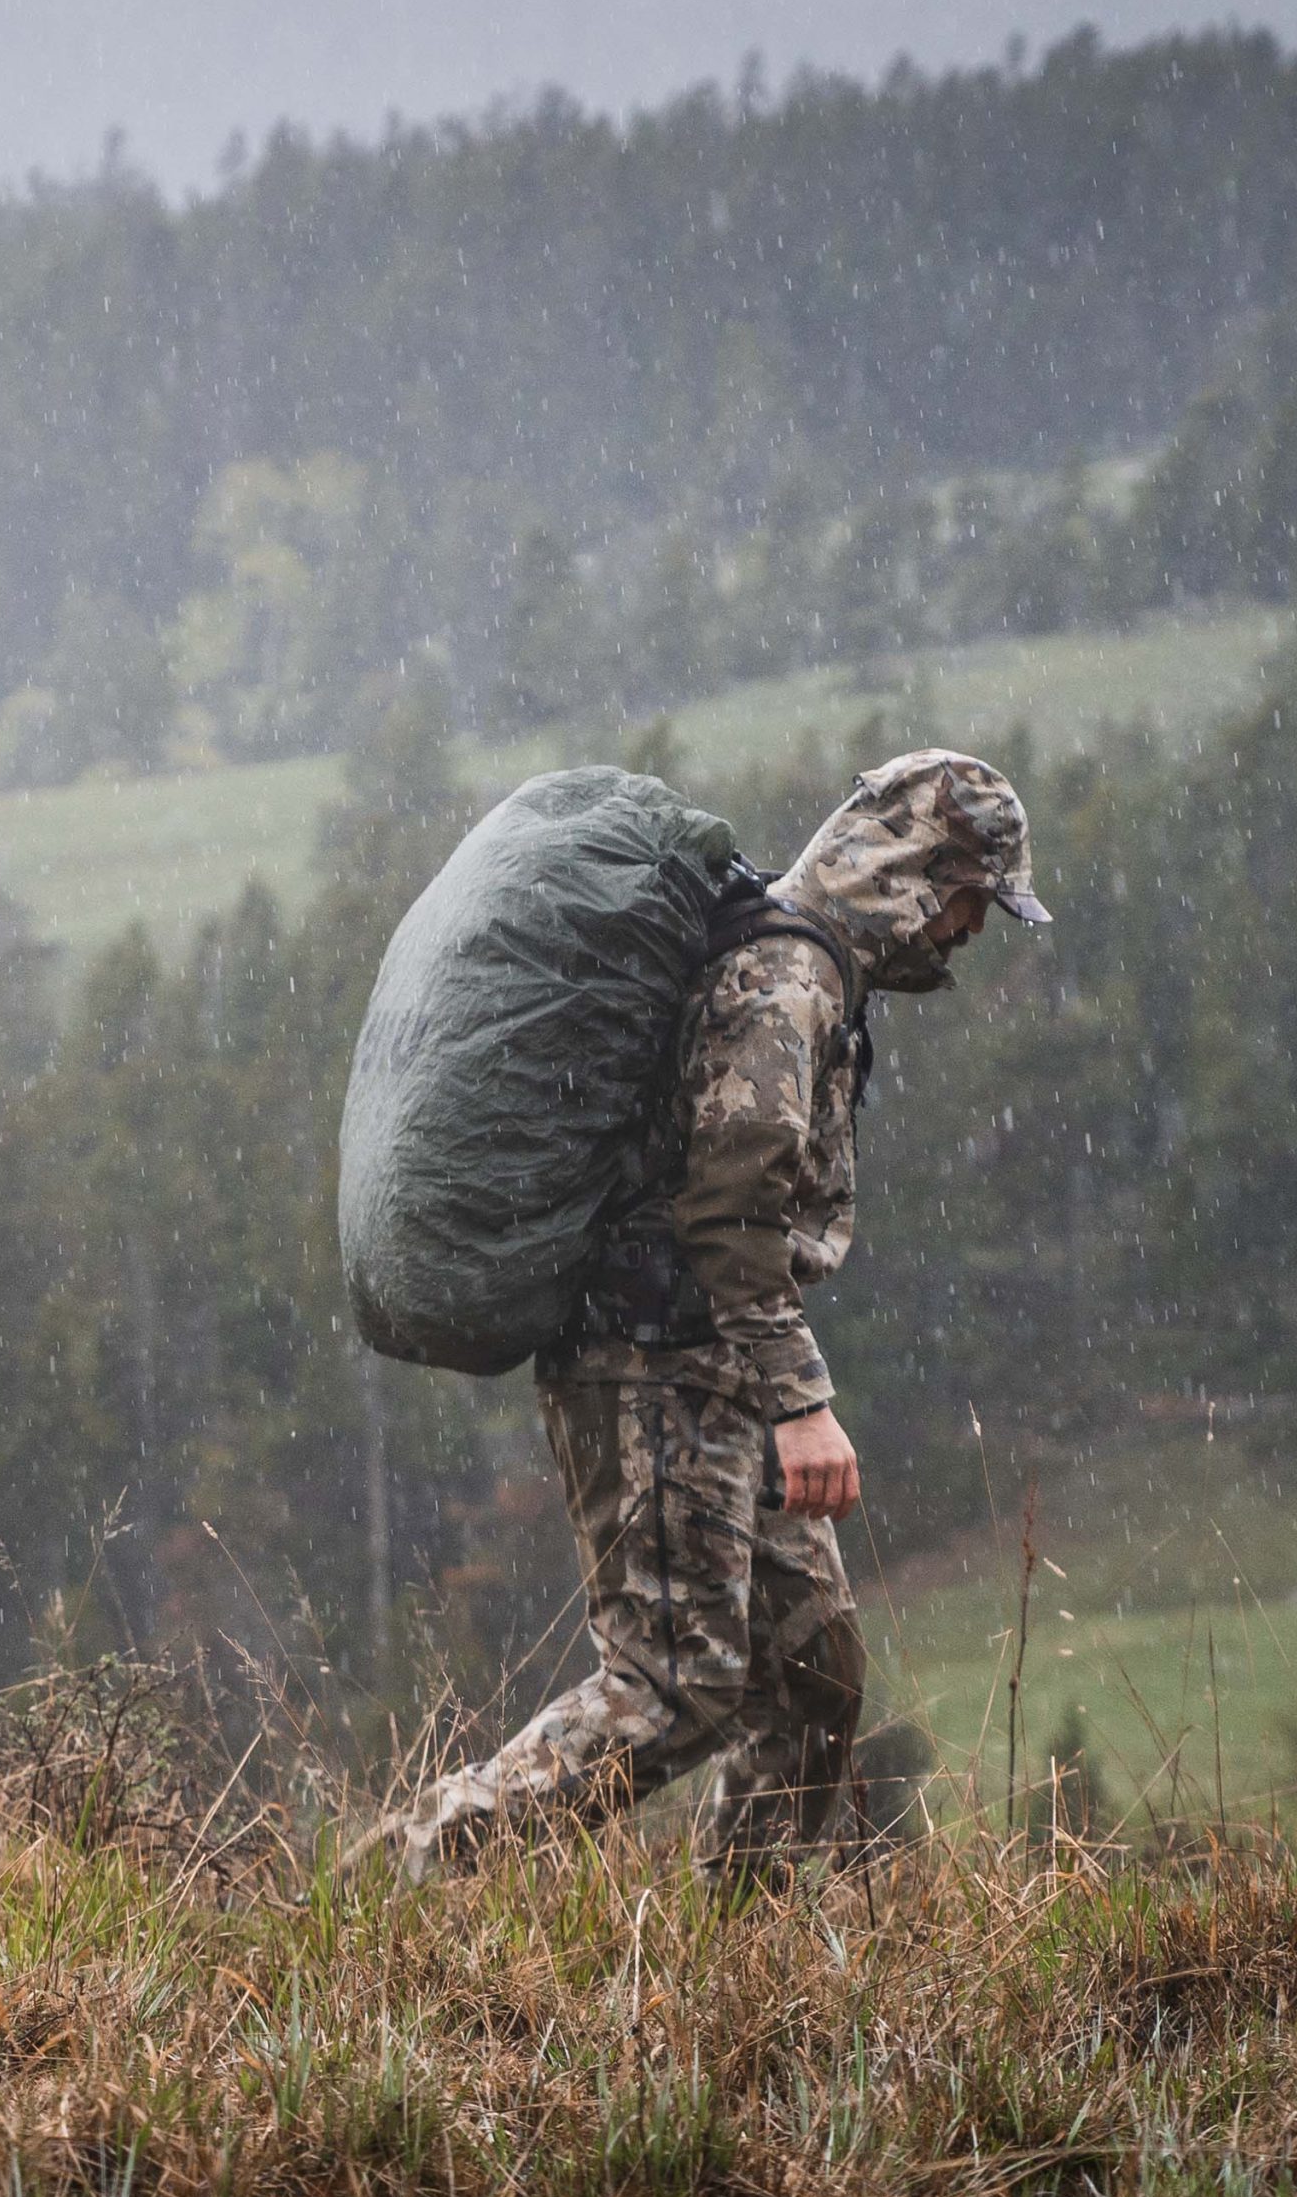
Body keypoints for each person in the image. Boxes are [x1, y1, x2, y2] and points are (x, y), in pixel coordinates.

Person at [379, 749, 1051, 1887]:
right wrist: (802, 1406)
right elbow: (729, 1209)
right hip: (652, 1362)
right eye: (972, 899)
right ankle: (403, 1875)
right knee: (670, 1691)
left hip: (710, 1357)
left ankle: (745, 1936)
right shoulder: (786, 980)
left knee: (813, 1678)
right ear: (916, 875)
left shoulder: (807, 965)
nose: (972, 929)